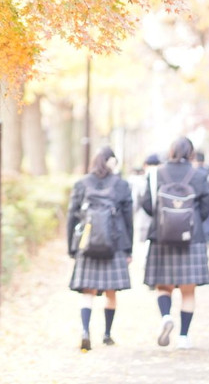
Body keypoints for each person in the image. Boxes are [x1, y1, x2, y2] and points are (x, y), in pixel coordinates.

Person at [141, 137, 209, 349]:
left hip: (162, 237)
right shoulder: (199, 175)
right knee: (188, 290)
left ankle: (165, 317)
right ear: (191, 153)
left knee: (164, 285)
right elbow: (207, 208)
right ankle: (183, 336)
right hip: (192, 238)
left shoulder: (157, 174)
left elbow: (147, 204)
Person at [67, 146, 134, 351]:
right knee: (110, 292)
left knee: (88, 291)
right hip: (114, 244)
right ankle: (107, 334)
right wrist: (128, 248)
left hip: (87, 243)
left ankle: (86, 331)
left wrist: (72, 246)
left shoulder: (81, 183)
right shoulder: (121, 185)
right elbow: (128, 218)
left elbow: (72, 216)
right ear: (111, 161)